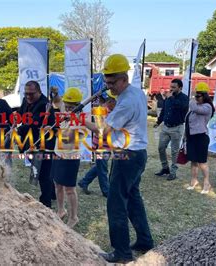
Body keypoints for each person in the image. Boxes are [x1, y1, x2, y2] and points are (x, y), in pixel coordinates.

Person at [85, 54, 154, 263]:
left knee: (116, 203)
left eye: (112, 82)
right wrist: (109, 102)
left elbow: (102, 130)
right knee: (133, 198)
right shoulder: (134, 93)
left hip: (127, 155)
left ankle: (121, 252)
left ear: (124, 79)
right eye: (106, 82)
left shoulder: (127, 102)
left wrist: (80, 120)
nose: (109, 86)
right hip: (137, 153)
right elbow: (117, 108)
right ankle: (144, 241)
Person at [17, 80, 56, 208]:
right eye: (26, 93)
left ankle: (46, 202)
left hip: (44, 144)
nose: (28, 96)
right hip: (31, 142)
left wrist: (17, 130)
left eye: (31, 94)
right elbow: (21, 114)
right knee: (43, 171)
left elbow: (32, 125)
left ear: (39, 92)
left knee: (43, 174)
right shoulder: (25, 100)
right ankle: (52, 193)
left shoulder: (44, 105)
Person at [51, 87, 85, 228]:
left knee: (69, 189)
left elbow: (67, 140)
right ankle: (61, 210)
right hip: (57, 153)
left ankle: (73, 217)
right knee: (57, 184)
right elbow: (57, 102)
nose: (68, 108)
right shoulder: (65, 107)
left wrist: (70, 124)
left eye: (72, 107)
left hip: (71, 157)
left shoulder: (82, 121)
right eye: (67, 105)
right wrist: (56, 94)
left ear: (78, 106)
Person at [77, 91, 117, 197]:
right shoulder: (101, 112)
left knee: (100, 166)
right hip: (101, 145)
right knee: (103, 169)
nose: (117, 103)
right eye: (116, 101)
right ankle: (106, 191)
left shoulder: (112, 111)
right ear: (110, 101)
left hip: (107, 144)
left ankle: (84, 182)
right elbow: (101, 130)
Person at [154, 78, 189, 180]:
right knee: (161, 147)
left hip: (177, 128)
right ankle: (165, 168)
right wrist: (158, 122)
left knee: (174, 151)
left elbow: (182, 107)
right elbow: (164, 111)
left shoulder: (184, 98)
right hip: (166, 127)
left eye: (174, 87)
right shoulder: (168, 98)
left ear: (180, 88)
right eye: (171, 87)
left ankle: (173, 172)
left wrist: (171, 98)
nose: (171, 89)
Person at [185, 82, 215, 194]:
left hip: (201, 137)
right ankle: (194, 181)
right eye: (196, 96)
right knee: (193, 161)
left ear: (205, 97)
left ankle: (207, 182)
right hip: (191, 137)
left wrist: (192, 96)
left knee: (202, 162)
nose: (196, 98)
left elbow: (194, 107)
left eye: (198, 96)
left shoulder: (207, 107)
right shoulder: (195, 106)